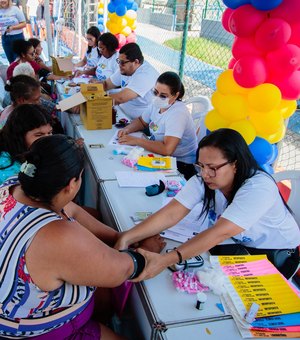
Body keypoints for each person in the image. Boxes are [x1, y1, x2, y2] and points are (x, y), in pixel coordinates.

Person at [0, 134, 147, 339]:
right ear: (71, 184)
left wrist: (118, 236)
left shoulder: (14, 185)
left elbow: (73, 211)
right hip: (40, 332)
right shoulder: (55, 234)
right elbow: (121, 270)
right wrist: (150, 254)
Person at [116, 128, 300, 280]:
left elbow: (221, 232)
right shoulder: (206, 178)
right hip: (238, 244)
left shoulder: (258, 188)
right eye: (201, 166)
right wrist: (127, 237)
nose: (205, 174)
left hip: (274, 254)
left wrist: (164, 260)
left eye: (213, 168)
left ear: (235, 164)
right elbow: (173, 212)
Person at [118, 71, 198, 180]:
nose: (157, 97)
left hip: (180, 164)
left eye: (163, 96)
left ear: (175, 95)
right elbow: (142, 121)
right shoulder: (156, 103)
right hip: (162, 156)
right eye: (155, 92)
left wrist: (137, 141)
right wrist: (127, 129)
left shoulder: (178, 114)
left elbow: (167, 149)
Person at [103, 42, 159, 120]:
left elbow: (120, 98)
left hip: (139, 123)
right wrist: (81, 97)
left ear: (136, 62)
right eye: (118, 61)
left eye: (122, 62)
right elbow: (106, 84)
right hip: (121, 114)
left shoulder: (146, 74)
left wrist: (88, 103)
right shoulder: (124, 68)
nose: (119, 65)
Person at [0, 104, 53, 184]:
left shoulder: (26, 151)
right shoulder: (9, 170)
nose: (48, 139)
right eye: (39, 135)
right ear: (19, 136)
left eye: (50, 133)